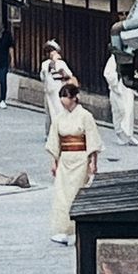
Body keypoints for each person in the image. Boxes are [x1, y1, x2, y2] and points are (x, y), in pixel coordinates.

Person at [45, 82, 102, 244]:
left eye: (66, 97)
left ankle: (79, 229)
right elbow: (55, 140)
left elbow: (92, 139)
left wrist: (93, 162)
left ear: (75, 98)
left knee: (77, 194)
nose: (64, 101)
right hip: (65, 159)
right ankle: (62, 230)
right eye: (62, 97)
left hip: (80, 159)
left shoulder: (85, 116)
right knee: (61, 195)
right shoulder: (59, 118)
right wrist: (54, 161)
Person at [104, 51, 138, 146]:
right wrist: (115, 84)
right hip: (118, 87)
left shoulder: (131, 57)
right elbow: (108, 73)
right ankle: (120, 134)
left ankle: (129, 134)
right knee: (119, 111)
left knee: (129, 111)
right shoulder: (113, 58)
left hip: (127, 87)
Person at [40, 40, 73, 131]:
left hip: (58, 88)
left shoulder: (61, 63)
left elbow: (69, 75)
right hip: (51, 89)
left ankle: (57, 130)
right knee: (51, 112)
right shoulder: (46, 64)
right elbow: (43, 76)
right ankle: (52, 131)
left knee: (57, 110)